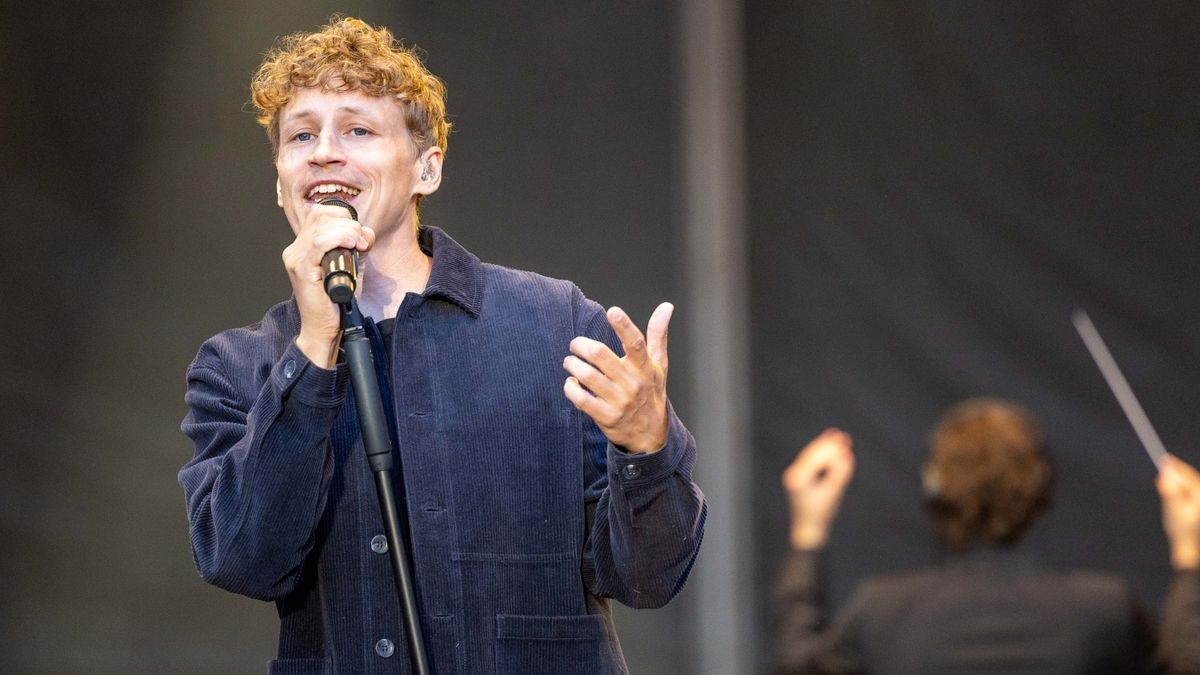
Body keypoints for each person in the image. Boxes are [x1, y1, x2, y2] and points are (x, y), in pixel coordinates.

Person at [178, 16, 705, 675]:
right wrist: (314, 346)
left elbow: (648, 578)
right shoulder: (237, 366)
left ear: (427, 167)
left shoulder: (553, 325)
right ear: (280, 180)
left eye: (358, 130)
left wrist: (645, 449)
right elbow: (243, 557)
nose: (323, 151)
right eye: (301, 135)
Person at [775, 399, 1200, 674]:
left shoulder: (880, 614)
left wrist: (808, 530)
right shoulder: (1105, 612)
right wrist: (1190, 552)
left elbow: (797, 664)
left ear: (933, 493)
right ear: (1042, 494)